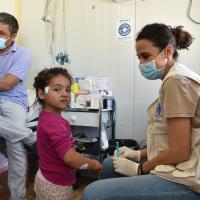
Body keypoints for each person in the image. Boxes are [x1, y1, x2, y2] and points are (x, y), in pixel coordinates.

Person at [82, 23, 200, 200]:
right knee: (109, 164)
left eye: (145, 56)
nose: (141, 63)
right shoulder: (172, 80)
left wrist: (140, 168)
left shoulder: (177, 82)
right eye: (139, 58)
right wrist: (138, 154)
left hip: (188, 179)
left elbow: (180, 151)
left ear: (168, 52)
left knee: (93, 194)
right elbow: (171, 140)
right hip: (181, 166)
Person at [33, 67, 103, 200]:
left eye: (68, 89)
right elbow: (70, 158)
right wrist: (93, 164)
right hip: (56, 186)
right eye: (57, 89)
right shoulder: (55, 123)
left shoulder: (45, 117)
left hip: (44, 176)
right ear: (42, 93)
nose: (65, 94)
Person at [0, 12, 36, 199]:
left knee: (15, 147)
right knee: (18, 136)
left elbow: (7, 84)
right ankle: (27, 135)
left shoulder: (23, 54)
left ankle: (17, 197)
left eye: (1, 33)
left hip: (12, 99)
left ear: (13, 36)